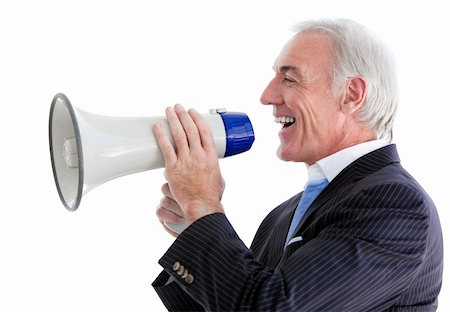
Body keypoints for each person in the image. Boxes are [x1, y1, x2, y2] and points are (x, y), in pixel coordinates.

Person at [151, 18, 443, 311]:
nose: (267, 96)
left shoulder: (396, 204)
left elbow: (269, 307)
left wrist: (203, 207)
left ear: (351, 94)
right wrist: (196, 227)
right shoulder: (284, 215)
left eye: (289, 79)